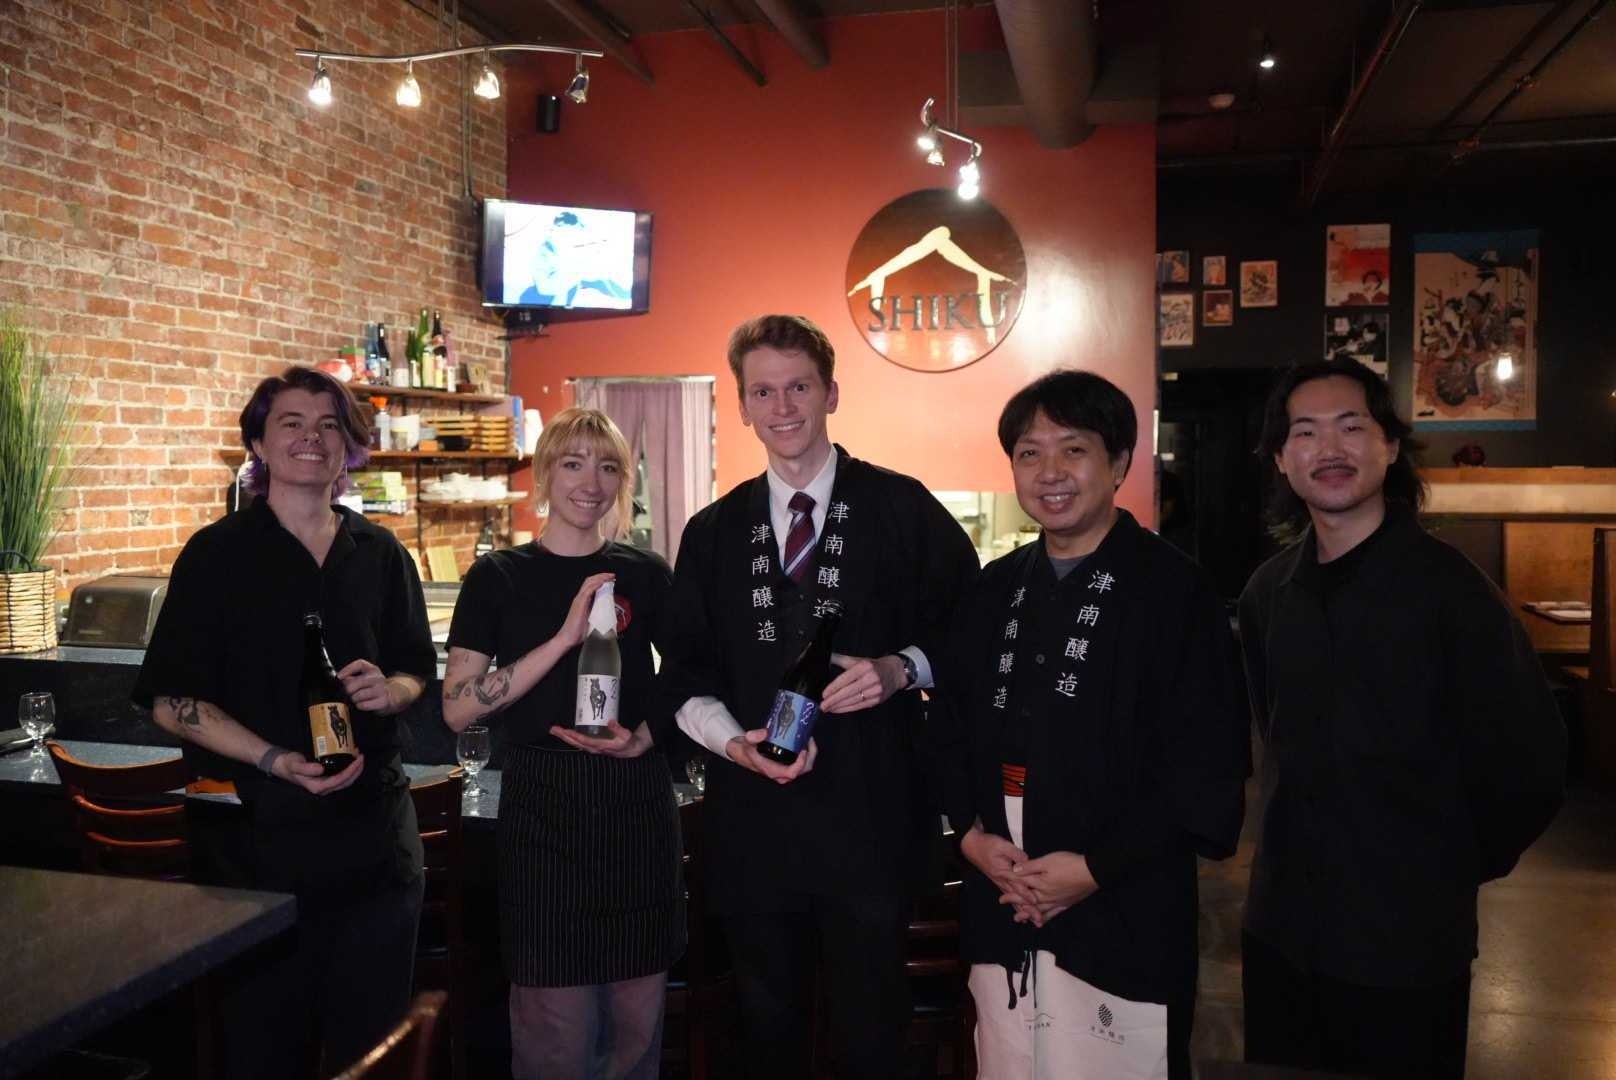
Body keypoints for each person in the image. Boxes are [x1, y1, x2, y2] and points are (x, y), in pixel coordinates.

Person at [660, 314, 979, 1078]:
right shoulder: (713, 531)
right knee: (764, 1027)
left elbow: (975, 627)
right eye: (762, 391)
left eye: (799, 386)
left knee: (872, 1030)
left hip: (872, 816)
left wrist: (903, 668)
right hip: (754, 824)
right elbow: (684, 673)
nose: (783, 407)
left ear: (831, 392)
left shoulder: (902, 508)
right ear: (742, 405)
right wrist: (733, 742)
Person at [1238, 359, 1566, 1079]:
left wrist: (1442, 868)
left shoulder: (1454, 593)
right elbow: (1272, 728)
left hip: (1406, 942)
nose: (1330, 448)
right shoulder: (1267, 592)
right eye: (1305, 432)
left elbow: (1531, 763)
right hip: (1282, 929)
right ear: (1282, 459)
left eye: (1352, 426)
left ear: (1389, 446)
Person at [934, 370, 1249, 1079]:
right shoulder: (993, 588)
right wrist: (972, 838)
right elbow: (949, 725)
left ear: (1120, 463)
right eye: (1029, 453)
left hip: (1122, 895)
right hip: (1003, 887)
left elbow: (1206, 760)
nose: (1050, 472)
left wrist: (1095, 869)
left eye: (1073, 449)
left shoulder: (1176, 591)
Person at [133, 365, 435, 1078]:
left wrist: (391, 690)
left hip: (374, 849)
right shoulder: (216, 554)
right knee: (264, 1055)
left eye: (330, 425)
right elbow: (170, 700)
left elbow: (416, 668)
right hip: (254, 854)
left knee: (374, 1056)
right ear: (259, 445)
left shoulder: (382, 554)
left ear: (348, 447)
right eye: (292, 423)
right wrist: (271, 758)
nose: (312, 438)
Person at [442, 408, 683, 1080]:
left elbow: (689, 676)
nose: (591, 482)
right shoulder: (499, 576)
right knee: (555, 1028)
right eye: (573, 464)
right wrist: (562, 640)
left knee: (637, 1023)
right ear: (545, 474)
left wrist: (647, 736)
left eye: (607, 467)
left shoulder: (647, 573)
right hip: (542, 810)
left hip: (636, 805)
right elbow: (458, 707)